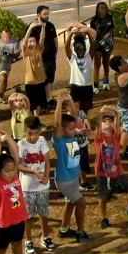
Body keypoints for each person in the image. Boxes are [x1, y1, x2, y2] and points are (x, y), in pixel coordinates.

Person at [51, 95, 91, 243]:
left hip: (73, 178)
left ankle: (64, 229)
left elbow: (74, 116)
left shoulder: (72, 136)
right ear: (62, 130)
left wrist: (69, 100)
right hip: (64, 180)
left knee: (70, 203)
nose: (74, 131)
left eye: (75, 129)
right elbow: (56, 123)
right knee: (80, 202)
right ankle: (80, 231)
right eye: (71, 129)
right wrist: (60, 103)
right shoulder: (59, 140)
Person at [93, 105, 128, 227]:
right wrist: (101, 112)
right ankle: (104, 218)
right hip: (102, 173)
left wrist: (116, 112)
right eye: (104, 121)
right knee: (102, 198)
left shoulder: (116, 136)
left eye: (109, 121)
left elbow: (118, 123)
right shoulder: (99, 138)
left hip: (118, 171)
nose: (107, 123)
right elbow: (98, 125)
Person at [16, 115, 55, 254]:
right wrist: (33, 171)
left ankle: (44, 237)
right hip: (27, 187)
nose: (33, 137)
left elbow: (47, 161)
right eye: (30, 134)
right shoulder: (21, 145)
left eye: (36, 133)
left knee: (44, 213)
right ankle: (28, 240)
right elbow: (17, 165)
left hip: (42, 185)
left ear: (40, 131)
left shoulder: (42, 141)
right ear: (24, 131)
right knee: (28, 216)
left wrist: (46, 176)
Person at [64, 22, 97, 117]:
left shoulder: (89, 57)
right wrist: (70, 33)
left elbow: (93, 44)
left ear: (86, 48)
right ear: (74, 49)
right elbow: (66, 46)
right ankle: (75, 124)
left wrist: (88, 32)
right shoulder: (72, 58)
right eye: (78, 50)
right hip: (76, 87)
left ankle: (83, 123)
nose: (80, 52)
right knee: (75, 108)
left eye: (82, 49)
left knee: (85, 109)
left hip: (87, 87)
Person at [0, 27, 22, 104]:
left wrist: (10, 55)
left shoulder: (14, 42)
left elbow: (17, 54)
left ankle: (1, 96)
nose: (6, 38)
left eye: (8, 37)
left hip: (4, 67)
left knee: (3, 78)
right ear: (0, 35)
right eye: (4, 36)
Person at [21, 21, 49, 115]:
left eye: (33, 41)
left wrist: (43, 27)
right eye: (30, 41)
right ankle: (30, 121)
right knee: (30, 104)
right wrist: (30, 28)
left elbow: (42, 38)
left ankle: (37, 120)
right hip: (30, 82)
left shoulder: (38, 50)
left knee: (39, 104)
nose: (32, 43)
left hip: (40, 81)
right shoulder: (26, 52)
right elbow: (24, 43)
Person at [34, 4, 60, 101]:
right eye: (45, 14)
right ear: (38, 15)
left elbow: (55, 41)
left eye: (48, 14)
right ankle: (42, 100)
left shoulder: (50, 25)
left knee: (50, 79)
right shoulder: (33, 27)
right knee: (41, 81)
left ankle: (49, 99)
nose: (47, 16)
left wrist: (55, 54)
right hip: (40, 59)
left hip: (51, 58)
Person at [89, 1, 115, 92]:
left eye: (105, 8)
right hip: (98, 44)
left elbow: (112, 31)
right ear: (97, 9)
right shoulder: (94, 20)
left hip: (107, 43)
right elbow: (91, 33)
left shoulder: (110, 18)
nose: (103, 10)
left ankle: (106, 82)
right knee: (97, 64)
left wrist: (113, 43)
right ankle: (96, 85)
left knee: (106, 63)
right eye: (101, 8)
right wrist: (93, 45)